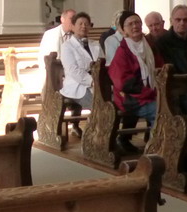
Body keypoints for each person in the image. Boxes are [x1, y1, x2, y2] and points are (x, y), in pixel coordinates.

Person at [107, 12, 160, 153]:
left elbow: (160, 68)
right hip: (131, 98)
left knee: (173, 108)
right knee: (160, 112)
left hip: (151, 94)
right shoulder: (122, 52)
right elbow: (123, 83)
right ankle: (156, 149)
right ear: (124, 31)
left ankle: (165, 146)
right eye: (130, 24)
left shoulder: (150, 46)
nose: (135, 26)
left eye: (137, 22)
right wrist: (150, 93)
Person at [58, 11, 99, 124]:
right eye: (80, 23)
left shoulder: (95, 44)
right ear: (73, 26)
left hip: (99, 83)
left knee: (112, 104)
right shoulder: (67, 46)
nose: (83, 26)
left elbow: (102, 63)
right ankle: (94, 131)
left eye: (86, 24)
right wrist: (92, 81)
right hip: (77, 85)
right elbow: (73, 70)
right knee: (98, 106)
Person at [38, 9, 75, 73]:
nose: (74, 22)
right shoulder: (50, 34)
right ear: (62, 19)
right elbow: (43, 58)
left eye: (76, 19)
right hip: (54, 72)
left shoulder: (77, 35)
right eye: (71, 19)